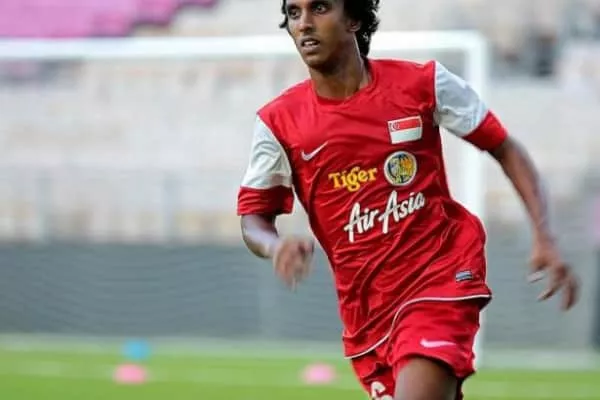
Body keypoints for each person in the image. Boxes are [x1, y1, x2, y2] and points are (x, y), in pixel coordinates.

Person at [236, 0, 579, 399]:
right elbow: (253, 218)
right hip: (367, 313)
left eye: (321, 8)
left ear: (354, 19)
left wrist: (544, 234)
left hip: (439, 279)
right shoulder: (279, 123)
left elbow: (504, 148)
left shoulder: (423, 84)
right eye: (294, 13)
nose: (305, 24)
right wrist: (274, 245)